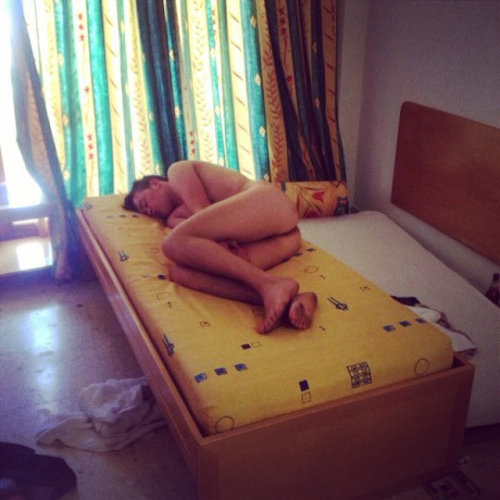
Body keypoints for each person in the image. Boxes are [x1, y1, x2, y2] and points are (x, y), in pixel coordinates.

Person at [123, 160, 317, 334]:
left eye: (144, 203)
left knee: (171, 244)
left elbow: (202, 210)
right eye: (144, 212)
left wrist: (217, 239)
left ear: (155, 183)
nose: (149, 211)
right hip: (284, 238)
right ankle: (291, 300)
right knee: (180, 273)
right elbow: (202, 249)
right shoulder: (174, 218)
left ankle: (269, 285)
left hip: (267, 203)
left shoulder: (177, 171)